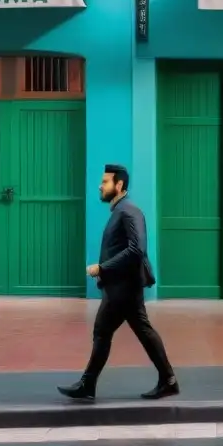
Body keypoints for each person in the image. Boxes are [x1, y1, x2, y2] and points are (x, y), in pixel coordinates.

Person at [58, 164, 179, 401]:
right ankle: (168, 380)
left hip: (123, 287)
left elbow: (137, 250)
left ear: (119, 185)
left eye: (105, 182)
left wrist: (103, 268)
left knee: (103, 331)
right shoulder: (120, 211)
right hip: (123, 286)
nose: (100, 186)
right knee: (141, 330)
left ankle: (88, 384)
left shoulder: (129, 212)